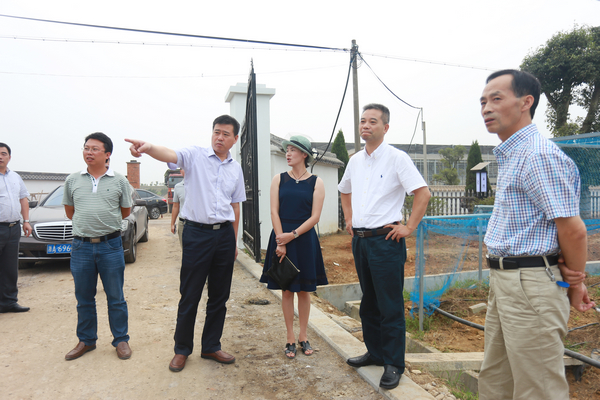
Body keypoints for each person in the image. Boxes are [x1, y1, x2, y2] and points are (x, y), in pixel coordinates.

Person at [478, 69, 595, 400]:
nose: (486, 107)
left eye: (497, 99)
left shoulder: (537, 154)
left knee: (537, 386)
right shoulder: (513, 153)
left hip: (529, 282)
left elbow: (572, 229)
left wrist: (575, 283)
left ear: (526, 102)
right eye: (483, 101)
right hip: (507, 280)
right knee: (497, 378)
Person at [125, 114, 246, 372]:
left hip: (224, 235)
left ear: (235, 139)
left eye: (226, 134)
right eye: (216, 132)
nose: (219, 138)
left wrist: (233, 241)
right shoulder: (195, 156)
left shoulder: (236, 168)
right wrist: (148, 148)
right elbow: (170, 153)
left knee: (219, 295)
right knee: (189, 293)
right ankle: (182, 349)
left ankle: (211, 345)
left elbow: (235, 206)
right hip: (196, 234)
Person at [339, 103, 430, 390]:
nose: (366, 126)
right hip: (361, 242)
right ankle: (375, 352)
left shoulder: (396, 158)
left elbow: (423, 192)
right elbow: (344, 190)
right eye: (363, 121)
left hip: (386, 241)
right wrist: (349, 217)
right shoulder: (355, 161)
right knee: (369, 301)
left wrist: (410, 227)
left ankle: (393, 363)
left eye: (373, 122)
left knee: (389, 305)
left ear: (385, 127)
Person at [62, 132, 133, 361]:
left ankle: (121, 340)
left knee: (116, 296)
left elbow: (125, 211)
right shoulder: (72, 180)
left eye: (94, 149)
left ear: (107, 154)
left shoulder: (120, 180)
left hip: (110, 246)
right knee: (84, 297)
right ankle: (86, 340)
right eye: (86, 148)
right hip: (81, 247)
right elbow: (70, 211)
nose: (88, 152)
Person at [259, 135, 328, 359]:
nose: (288, 153)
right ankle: (289, 337)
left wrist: (294, 235)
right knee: (287, 290)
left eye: (292, 150)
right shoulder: (278, 179)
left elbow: (315, 216)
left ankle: (303, 335)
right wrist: (281, 240)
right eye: (287, 150)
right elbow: (273, 212)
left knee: (305, 291)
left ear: (304, 154)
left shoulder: (317, 182)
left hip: (304, 239)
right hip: (281, 237)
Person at [0, 143, 32, 313]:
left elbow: (23, 199)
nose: (0, 156)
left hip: (13, 228)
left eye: (4, 153)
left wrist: (26, 221)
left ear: (9, 157)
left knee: (10, 267)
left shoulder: (15, 177)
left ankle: (9, 302)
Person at [170, 169, 185, 247]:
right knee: (185, 250)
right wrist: (172, 223)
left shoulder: (200, 185)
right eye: (183, 168)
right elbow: (176, 205)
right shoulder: (178, 187)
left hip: (198, 224)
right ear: (181, 171)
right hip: (183, 223)